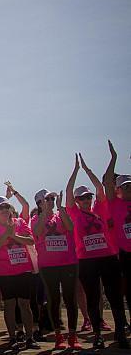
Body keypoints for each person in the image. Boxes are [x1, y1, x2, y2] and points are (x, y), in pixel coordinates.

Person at [67, 153, 128, 349]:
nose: (86, 199)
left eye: (88, 197)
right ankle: (97, 334)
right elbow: (68, 191)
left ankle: (120, 331)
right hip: (87, 261)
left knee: (115, 295)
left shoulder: (100, 208)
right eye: (82, 198)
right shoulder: (74, 213)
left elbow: (100, 188)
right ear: (77, 201)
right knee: (93, 297)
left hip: (108, 257)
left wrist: (87, 170)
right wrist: (75, 171)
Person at [0, 196, 38, 350]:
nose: (5, 210)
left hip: (23, 269)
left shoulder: (20, 222)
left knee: (25, 303)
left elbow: (31, 240)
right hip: (4, 271)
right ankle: (13, 337)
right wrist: (6, 234)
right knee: (9, 304)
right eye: (1, 208)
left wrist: (13, 235)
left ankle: (29, 337)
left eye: (7, 207)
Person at [31, 186, 80, 349]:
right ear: (39, 203)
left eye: (52, 199)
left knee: (70, 299)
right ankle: (59, 336)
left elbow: (71, 227)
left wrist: (60, 208)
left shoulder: (60, 215)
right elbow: (37, 231)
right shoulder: (35, 219)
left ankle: (73, 336)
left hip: (68, 263)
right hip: (48, 266)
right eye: (47, 200)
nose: (51, 202)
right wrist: (44, 212)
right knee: (53, 299)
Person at [101, 140, 131, 316]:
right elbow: (106, 183)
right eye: (125, 186)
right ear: (118, 189)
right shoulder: (114, 203)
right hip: (124, 254)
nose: (129, 188)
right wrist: (114, 158)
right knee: (125, 289)